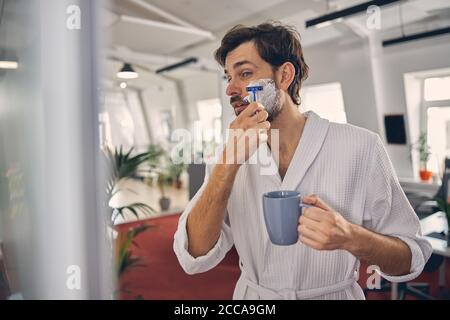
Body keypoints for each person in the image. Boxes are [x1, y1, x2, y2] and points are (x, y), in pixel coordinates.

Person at [173, 21, 432, 299]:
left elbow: (411, 256)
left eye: (245, 73)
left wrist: (352, 237)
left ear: (284, 76)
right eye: (228, 77)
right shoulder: (229, 155)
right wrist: (228, 164)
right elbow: (193, 256)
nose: (230, 89)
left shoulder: (361, 146)